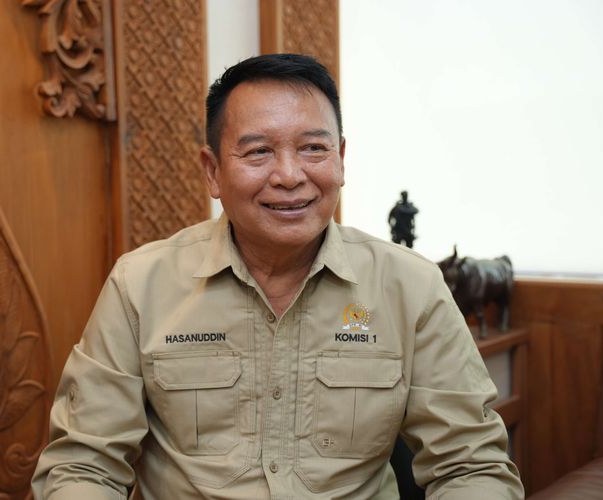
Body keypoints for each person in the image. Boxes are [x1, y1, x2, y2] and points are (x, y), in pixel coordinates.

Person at [32, 53, 524, 499]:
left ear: (341, 159)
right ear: (212, 171)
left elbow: (471, 465)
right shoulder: (140, 285)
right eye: (258, 152)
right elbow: (84, 464)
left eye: (313, 148)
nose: (289, 175)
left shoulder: (411, 286)